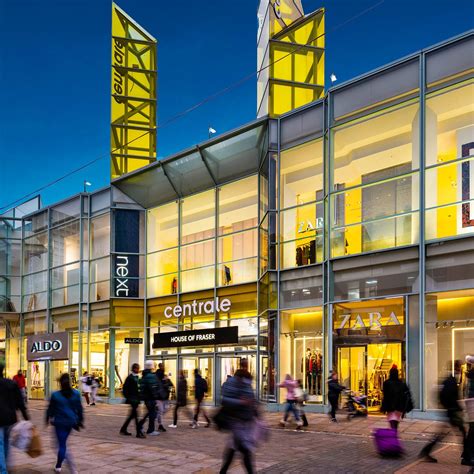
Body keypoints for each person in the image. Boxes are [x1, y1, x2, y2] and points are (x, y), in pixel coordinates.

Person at [419, 371, 469, 465]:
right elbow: (452, 398)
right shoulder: (452, 382)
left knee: (442, 434)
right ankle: (466, 457)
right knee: (461, 432)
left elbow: (441, 396)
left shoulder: (447, 381)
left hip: (449, 411)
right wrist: (456, 407)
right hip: (452, 412)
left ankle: (426, 451)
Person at [219, 360, 257, 474]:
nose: (246, 367)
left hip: (245, 422)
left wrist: (254, 412)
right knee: (245, 451)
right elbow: (224, 400)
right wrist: (240, 402)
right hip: (236, 422)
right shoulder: (233, 382)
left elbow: (251, 400)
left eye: (247, 365)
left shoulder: (247, 381)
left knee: (233, 449)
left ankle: (223, 471)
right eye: (245, 365)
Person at [46, 373, 83, 473]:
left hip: (59, 423)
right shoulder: (76, 394)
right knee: (62, 444)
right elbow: (79, 409)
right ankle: (58, 466)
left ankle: (69, 467)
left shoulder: (55, 395)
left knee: (60, 446)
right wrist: (80, 421)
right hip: (71, 422)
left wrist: (47, 419)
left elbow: (50, 409)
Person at [0, 362, 29, 474]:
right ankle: (5, 466)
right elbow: (20, 402)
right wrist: (26, 417)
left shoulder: (12, 383)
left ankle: (3, 470)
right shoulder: (12, 383)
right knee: (6, 442)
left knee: (0, 444)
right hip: (10, 419)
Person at [381, 366, 413, 431]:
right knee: (395, 423)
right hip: (399, 407)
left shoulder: (386, 383)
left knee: (392, 423)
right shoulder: (402, 383)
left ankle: (393, 436)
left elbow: (385, 395)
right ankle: (394, 434)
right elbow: (407, 394)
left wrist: (383, 407)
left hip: (390, 407)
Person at [120, 363, 144, 438]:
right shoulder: (130, 378)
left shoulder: (137, 377)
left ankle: (123, 429)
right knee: (136, 416)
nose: (138, 370)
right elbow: (125, 389)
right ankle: (138, 432)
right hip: (132, 400)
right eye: (136, 368)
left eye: (138, 368)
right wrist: (129, 397)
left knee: (132, 416)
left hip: (136, 399)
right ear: (133, 369)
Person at [137, 360, 160, 436]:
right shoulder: (150, 376)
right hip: (150, 398)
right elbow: (152, 388)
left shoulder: (144, 375)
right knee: (152, 413)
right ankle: (150, 430)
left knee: (150, 413)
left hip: (146, 397)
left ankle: (141, 426)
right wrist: (156, 397)